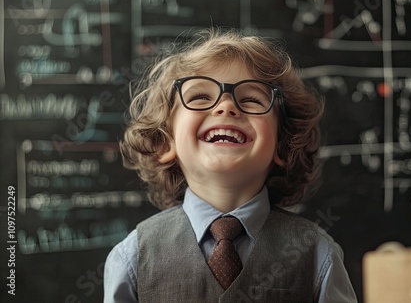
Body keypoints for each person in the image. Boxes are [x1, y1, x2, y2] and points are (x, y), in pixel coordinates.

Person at [104, 28, 357, 302]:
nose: (226, 106)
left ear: (282, 145)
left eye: (251, 99)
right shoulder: (132, 257)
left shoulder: (318, 255)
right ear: (166, 143)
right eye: (200, 96)